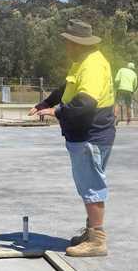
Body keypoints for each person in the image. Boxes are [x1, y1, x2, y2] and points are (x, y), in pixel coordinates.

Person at [29, 19, 115, 257]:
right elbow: (68, 88)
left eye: (67, 42)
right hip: (86, 134)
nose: (65, 46)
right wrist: (46, 102)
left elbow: (86, 103)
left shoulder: (93, 65)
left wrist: (55, 111)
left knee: (91, 186)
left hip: (90, 134)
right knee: (88, 184)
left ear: (76, 43)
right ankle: (91, 232)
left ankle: (97, 240)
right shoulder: (83, 62)